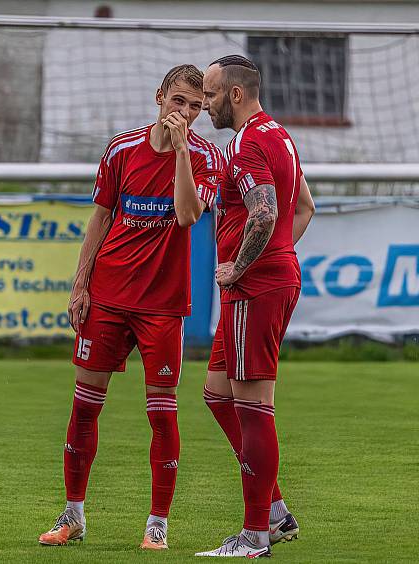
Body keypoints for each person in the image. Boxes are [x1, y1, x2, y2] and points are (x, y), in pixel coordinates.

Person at [37, 64, 222, 550]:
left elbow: (186, 216)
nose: (185, 113)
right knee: (83, 409)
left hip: (162, 306)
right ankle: (72, 516)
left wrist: (182, 150)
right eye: (179, 101)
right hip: (109, 296)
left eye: (196, 107)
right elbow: (100, 217)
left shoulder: (204, 157)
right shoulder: (121, 149)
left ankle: (156, 525)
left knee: (162, 415)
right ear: (160, 96)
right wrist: (81, 285)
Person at [196, 55, 315, 558]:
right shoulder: (279, 135)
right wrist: (279, 258)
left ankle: (254, 537)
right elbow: (304, 206)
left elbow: (264, 213)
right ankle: (274, 511)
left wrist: (242, 268)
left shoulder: (246, 143)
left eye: (210, 95)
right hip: (267, 282)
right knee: (217, 394)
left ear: (236, 94)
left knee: (253, 408)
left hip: (254, 289)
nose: (205, 106)